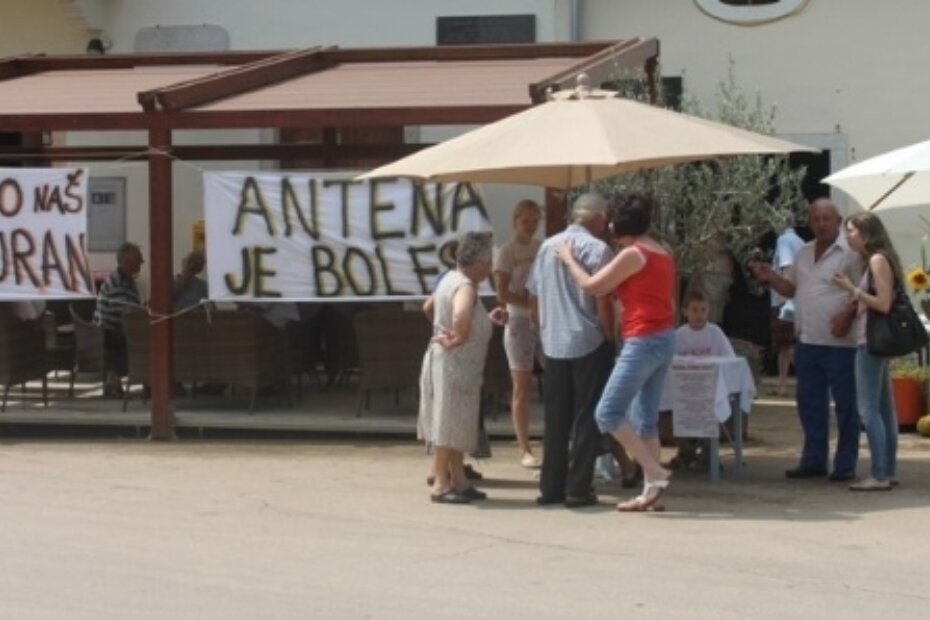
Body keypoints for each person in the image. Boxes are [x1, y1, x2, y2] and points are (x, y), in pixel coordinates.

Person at [555, 191, 675, 512]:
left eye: (611, 221)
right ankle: (653, 493)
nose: (608, 226)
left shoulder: (633, 254)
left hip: (643, 340)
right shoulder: (662, 251)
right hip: (663, 337)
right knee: (646, 420)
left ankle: (654, 472)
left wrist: (569, 259)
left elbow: (592, 286)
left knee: (607, 413)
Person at [750, 198, 862, 482]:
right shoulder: (803, 253)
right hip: (808, 341)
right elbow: (790, 289)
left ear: (838, 221)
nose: (821, 224)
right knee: (810, 404)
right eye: (816, 219)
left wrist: (848, 315)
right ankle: (814, 460)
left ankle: (845, 463)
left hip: (841, 344)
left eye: (827, 218)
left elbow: (863, 291)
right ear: (809, 222)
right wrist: (770, 276)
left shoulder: (851, 253)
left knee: (846, 405)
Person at [527, 193, 616, 508]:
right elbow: (603, 300)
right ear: (598, 219)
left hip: (554, 341)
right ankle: (578, 487)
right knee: (586, 416)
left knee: (555, 418)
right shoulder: (599, 249)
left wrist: (540, 329)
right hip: (587, 339)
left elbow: (534, 295)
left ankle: (551, 487)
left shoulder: (546, 246)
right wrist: (610, 334)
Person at [418, 232, 507, 504]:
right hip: (456, 366)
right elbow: (460, 314)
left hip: (449, 364)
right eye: (489, 261)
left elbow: (429, 307)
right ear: (478, 262)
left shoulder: (450, 278)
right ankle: (441, 484)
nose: (490, 266)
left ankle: (459, 479)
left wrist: (482, 321)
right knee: (447, 425)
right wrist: (458, 336)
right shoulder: (466, 286)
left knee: (455, 425)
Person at [831, 212, 901, 491]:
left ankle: (879, 474)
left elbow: (883, 303)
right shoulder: (877, 259)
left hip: (870, 341)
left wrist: (852, 289)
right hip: (873, 341)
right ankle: (887, 470)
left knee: (869, 409)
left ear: (867, 233)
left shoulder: (877, 260)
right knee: (883, 409)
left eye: (851, 231)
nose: (848, 236)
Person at [493, 199, 543, 469]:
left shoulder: (542, 248)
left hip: (544, 322)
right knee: (522, 386)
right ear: (515, 222)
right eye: (526, 221)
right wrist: (530, 306)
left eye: (535, 221)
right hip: (519, 320)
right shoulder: (507, 251)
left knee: (557, 381)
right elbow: (502, 293)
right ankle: (525, 448)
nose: (530, 226)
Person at [671, 288, 736, 470]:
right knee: (665, 412)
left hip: (710, 390)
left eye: (703, 310)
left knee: (719, 406)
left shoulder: (715, 333)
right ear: (685, 311)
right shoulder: (678, 335)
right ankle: (686, 450)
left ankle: (708, 451)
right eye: (694, 310)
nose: (699, 315)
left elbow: (729, 359)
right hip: (683, 391)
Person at [94, 242, 144, 397]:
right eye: (139, 260)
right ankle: (114, 382)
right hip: (107, 330)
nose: (141, 264)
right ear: (127, 261)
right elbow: (124, 314)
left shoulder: (128, 280)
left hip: (116, 328)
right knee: (134, 338)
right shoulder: (117, 282)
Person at [769, 225, 805, 396]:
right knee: (785, 346)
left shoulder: (783, 240)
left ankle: (812, 376)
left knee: (785, 345)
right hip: (797, 301)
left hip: (785, 301)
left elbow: (786, 266)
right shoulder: (801, 242)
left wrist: (784, 296)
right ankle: (781, 384)